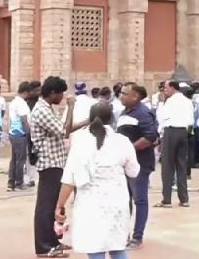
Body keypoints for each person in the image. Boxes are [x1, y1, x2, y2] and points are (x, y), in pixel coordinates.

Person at [56, 102, 140, 259]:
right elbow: (134, 172)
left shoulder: (80, 143)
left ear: (90, 119)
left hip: (90, 204)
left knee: (95, 248)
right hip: (117, 203)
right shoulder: (122, 141)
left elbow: (69, 179)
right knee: (117, 247)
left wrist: (59, 206)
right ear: (112, 119)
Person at [30, 76, 75, 258]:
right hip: (49, 163)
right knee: (46, 206)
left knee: (52, 205)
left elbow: (65, 128)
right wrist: (71, 107)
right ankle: (43, 246)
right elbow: (64, 130)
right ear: (52, 93)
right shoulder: (42, 111)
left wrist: (87, 122)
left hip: (55, 161)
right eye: (61, 93)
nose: (63, 97)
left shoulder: (47, 108)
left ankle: (52, 241)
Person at [116, 83, 158, 250]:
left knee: (139, 199)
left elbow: (150, 137)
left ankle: (137, 236)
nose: (121, 96)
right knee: (124, 200)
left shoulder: (143, 113)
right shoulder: (123, 113)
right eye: (121, 93)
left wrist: (129, 149)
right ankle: (122, 234)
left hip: (140, 164)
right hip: (123, 164)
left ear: (135, 97)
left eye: (125, 93)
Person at [154, 80, 194, 209]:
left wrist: (161, 103)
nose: (164, 91)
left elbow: (161, 118)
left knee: (167, 166)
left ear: (172, 88)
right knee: (181, 166)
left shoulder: (169, 101)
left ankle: (167, 199)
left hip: (170, 131)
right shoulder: (188, 101)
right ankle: (184, 199)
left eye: (166, 88)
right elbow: (190, 121)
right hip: (183, 132)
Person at [7, 81, 32, 192]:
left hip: (13, 133)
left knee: (14, 159)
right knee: (20, 160)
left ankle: (11, 181)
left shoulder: (14, 102)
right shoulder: (21, 103)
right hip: (20, 133)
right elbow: (23, 120)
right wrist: (28, 133)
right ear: (26, 92)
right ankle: (19, 182)